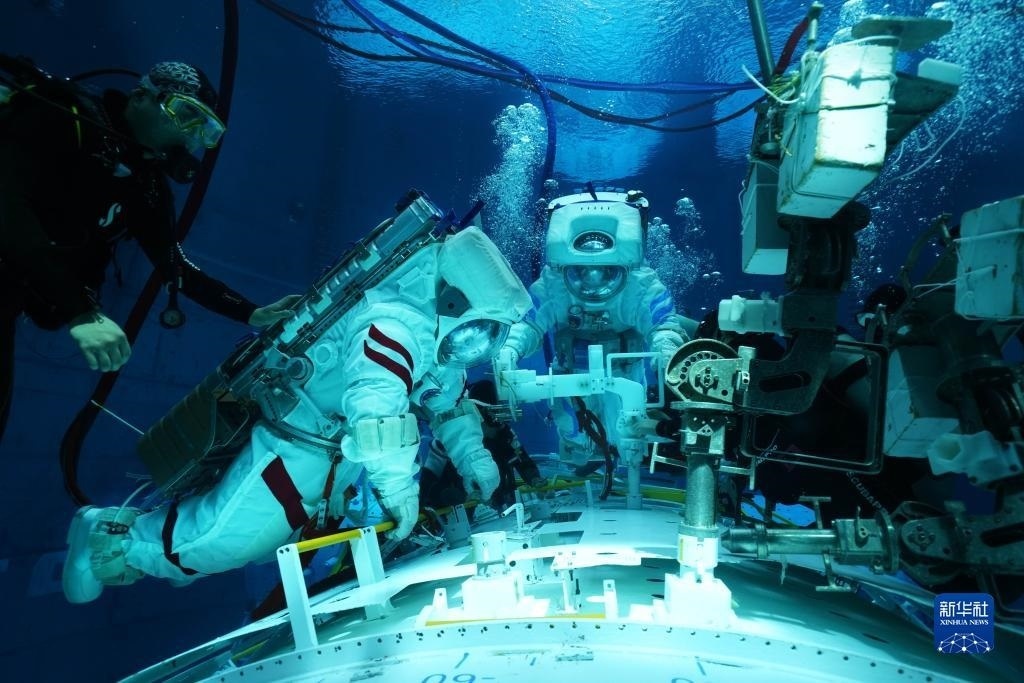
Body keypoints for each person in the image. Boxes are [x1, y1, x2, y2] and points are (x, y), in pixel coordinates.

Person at [61, 220, 532, 604]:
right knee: (224, 540)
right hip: (299, 442)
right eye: (481, 330)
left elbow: (446, 403)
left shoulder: (431, 332)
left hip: (331, 451)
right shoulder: (393, 324)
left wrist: (475, 460)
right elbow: (378, 421)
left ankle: (171, 548)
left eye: (491, 334)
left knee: (262, 542)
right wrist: (399, 493)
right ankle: (113, 538)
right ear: (453, 299)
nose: (479, 344)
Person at [0, 58, 297, 442]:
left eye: (205, 129)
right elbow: (8, 209)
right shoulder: (65, 117)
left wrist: (250, 312)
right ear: (141, 96)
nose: (192, 136)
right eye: (185, 114)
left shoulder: (145, 185)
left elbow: (175, 265)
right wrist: (80, 311)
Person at [500, 189, 694, 469]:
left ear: (624, 265)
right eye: (580, 272)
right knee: (574, 438)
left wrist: (666, 353)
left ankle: (624, 463)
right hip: (570, 375)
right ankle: (583, 458)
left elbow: (663, 326)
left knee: (628, 436)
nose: (593, 281)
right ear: (564, 267)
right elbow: (528, 324)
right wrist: (510, 349)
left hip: (624, 374)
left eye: (606, 272)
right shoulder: (553, 285)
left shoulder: (640, 287)